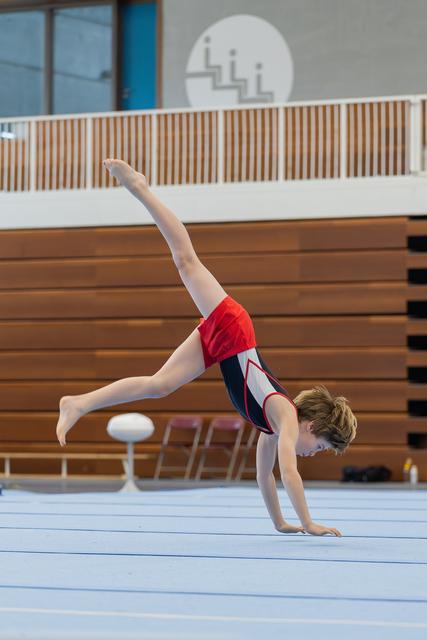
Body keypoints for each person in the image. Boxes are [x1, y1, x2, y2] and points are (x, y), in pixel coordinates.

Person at [56, 159, 357, 537]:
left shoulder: (273, 430)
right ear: (312, 425)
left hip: (224, 347)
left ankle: (78, 402)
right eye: (320, 447)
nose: (312, 454)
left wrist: (281, 523)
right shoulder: (282, 415)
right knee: (185, 261)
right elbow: (290, 473)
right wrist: (309, 522)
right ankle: (139, 187)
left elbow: (265, 475)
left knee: (159, 385)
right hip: (235, 331)